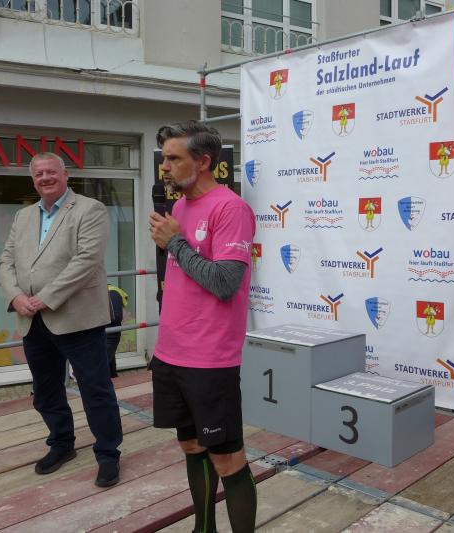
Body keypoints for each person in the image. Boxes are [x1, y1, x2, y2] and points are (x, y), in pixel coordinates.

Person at [149, 121, 257, 533]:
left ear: (204, 161)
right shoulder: (178, 208)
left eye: (174, 158)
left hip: (210, 361)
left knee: (227, 459)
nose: (165, 167)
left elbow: (225, 282)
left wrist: (175, 243)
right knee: (192, 446)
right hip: (170, 353)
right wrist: (175, 241)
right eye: (164, 158)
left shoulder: (231, 209)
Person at [0, 152, 123, 488]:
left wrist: (46, 297)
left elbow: (86, 261)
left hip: (77, 318)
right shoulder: (24, 216)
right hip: (32, 319)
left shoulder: (90, 209)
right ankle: (62, 443)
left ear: (65, 174)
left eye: (51, 171)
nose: (45, 177)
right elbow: (6, 261)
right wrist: (15, 296)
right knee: (45, 390)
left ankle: (108, 454)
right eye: (38, 173)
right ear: (33, 180)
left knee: (95, 389)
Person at [106, 283, 128, 378]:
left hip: (110, 334)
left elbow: (116, 317)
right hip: (106, 333)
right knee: (109, 363)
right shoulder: (107, 291)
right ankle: (114, 378)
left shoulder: (113, 293)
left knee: (101, 364)